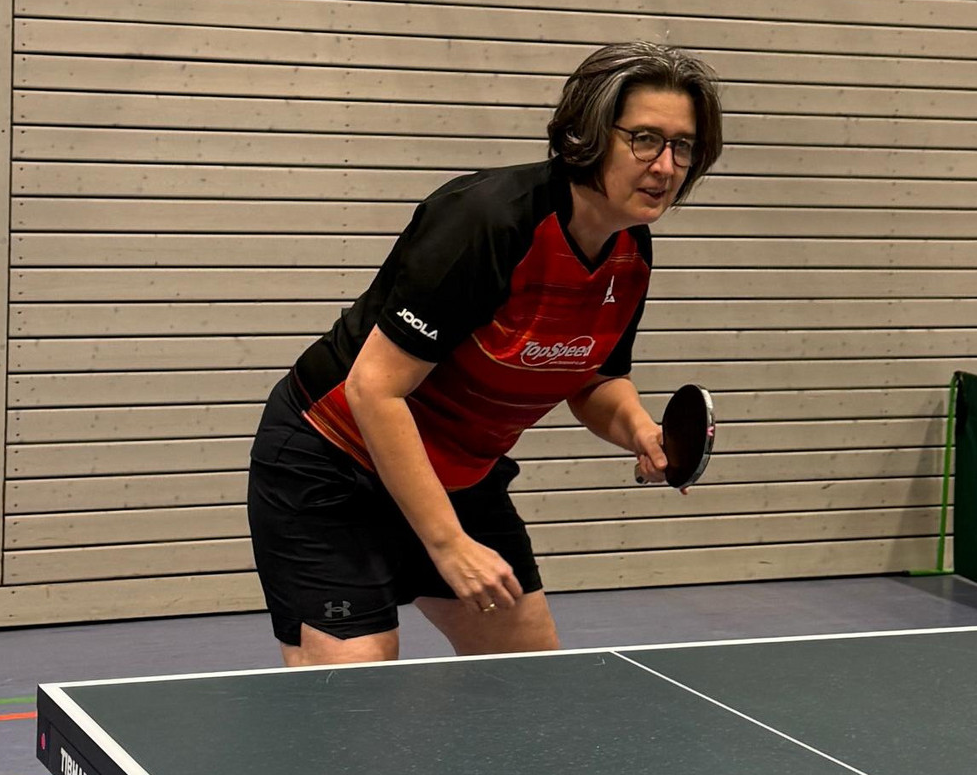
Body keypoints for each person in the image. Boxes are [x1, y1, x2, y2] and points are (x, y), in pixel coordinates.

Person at [247, 41, 723, 667]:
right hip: (334, 466)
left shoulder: (630, 248)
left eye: (682, 146)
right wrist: (447, 543)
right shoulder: (486, 222)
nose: (665, 166)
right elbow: (374, 388)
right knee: (355, 696)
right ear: (588, 133)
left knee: (528, 679)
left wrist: (638, 429)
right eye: (644, 139)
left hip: (461, 473)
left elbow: (595, 378)